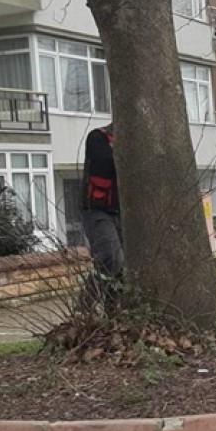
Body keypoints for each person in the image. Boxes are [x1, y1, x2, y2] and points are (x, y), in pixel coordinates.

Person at [81, 123, 122, 308]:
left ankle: (114, 311)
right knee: (110, 257)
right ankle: (85, 308)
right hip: (98, 209)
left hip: (122, 213)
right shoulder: (97, 138)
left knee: (124, 268)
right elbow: (106, 165)